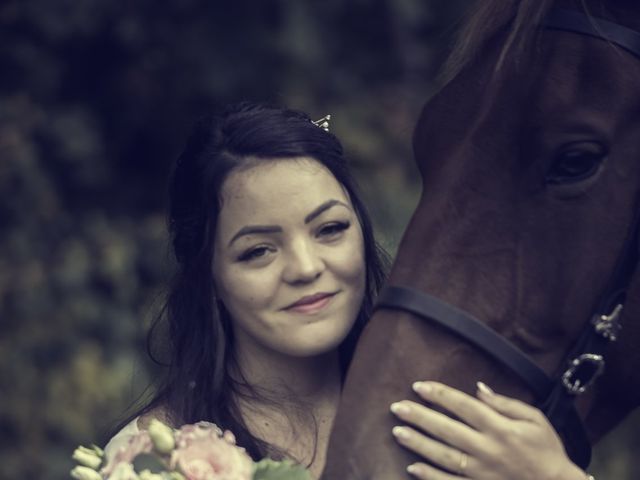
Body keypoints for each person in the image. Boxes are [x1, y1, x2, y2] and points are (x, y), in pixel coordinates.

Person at [105, 102, 592, 480]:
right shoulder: (156, 458)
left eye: (330, 229)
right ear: (208, 275)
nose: (305, 267)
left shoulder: (447, 418)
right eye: (258, 251)